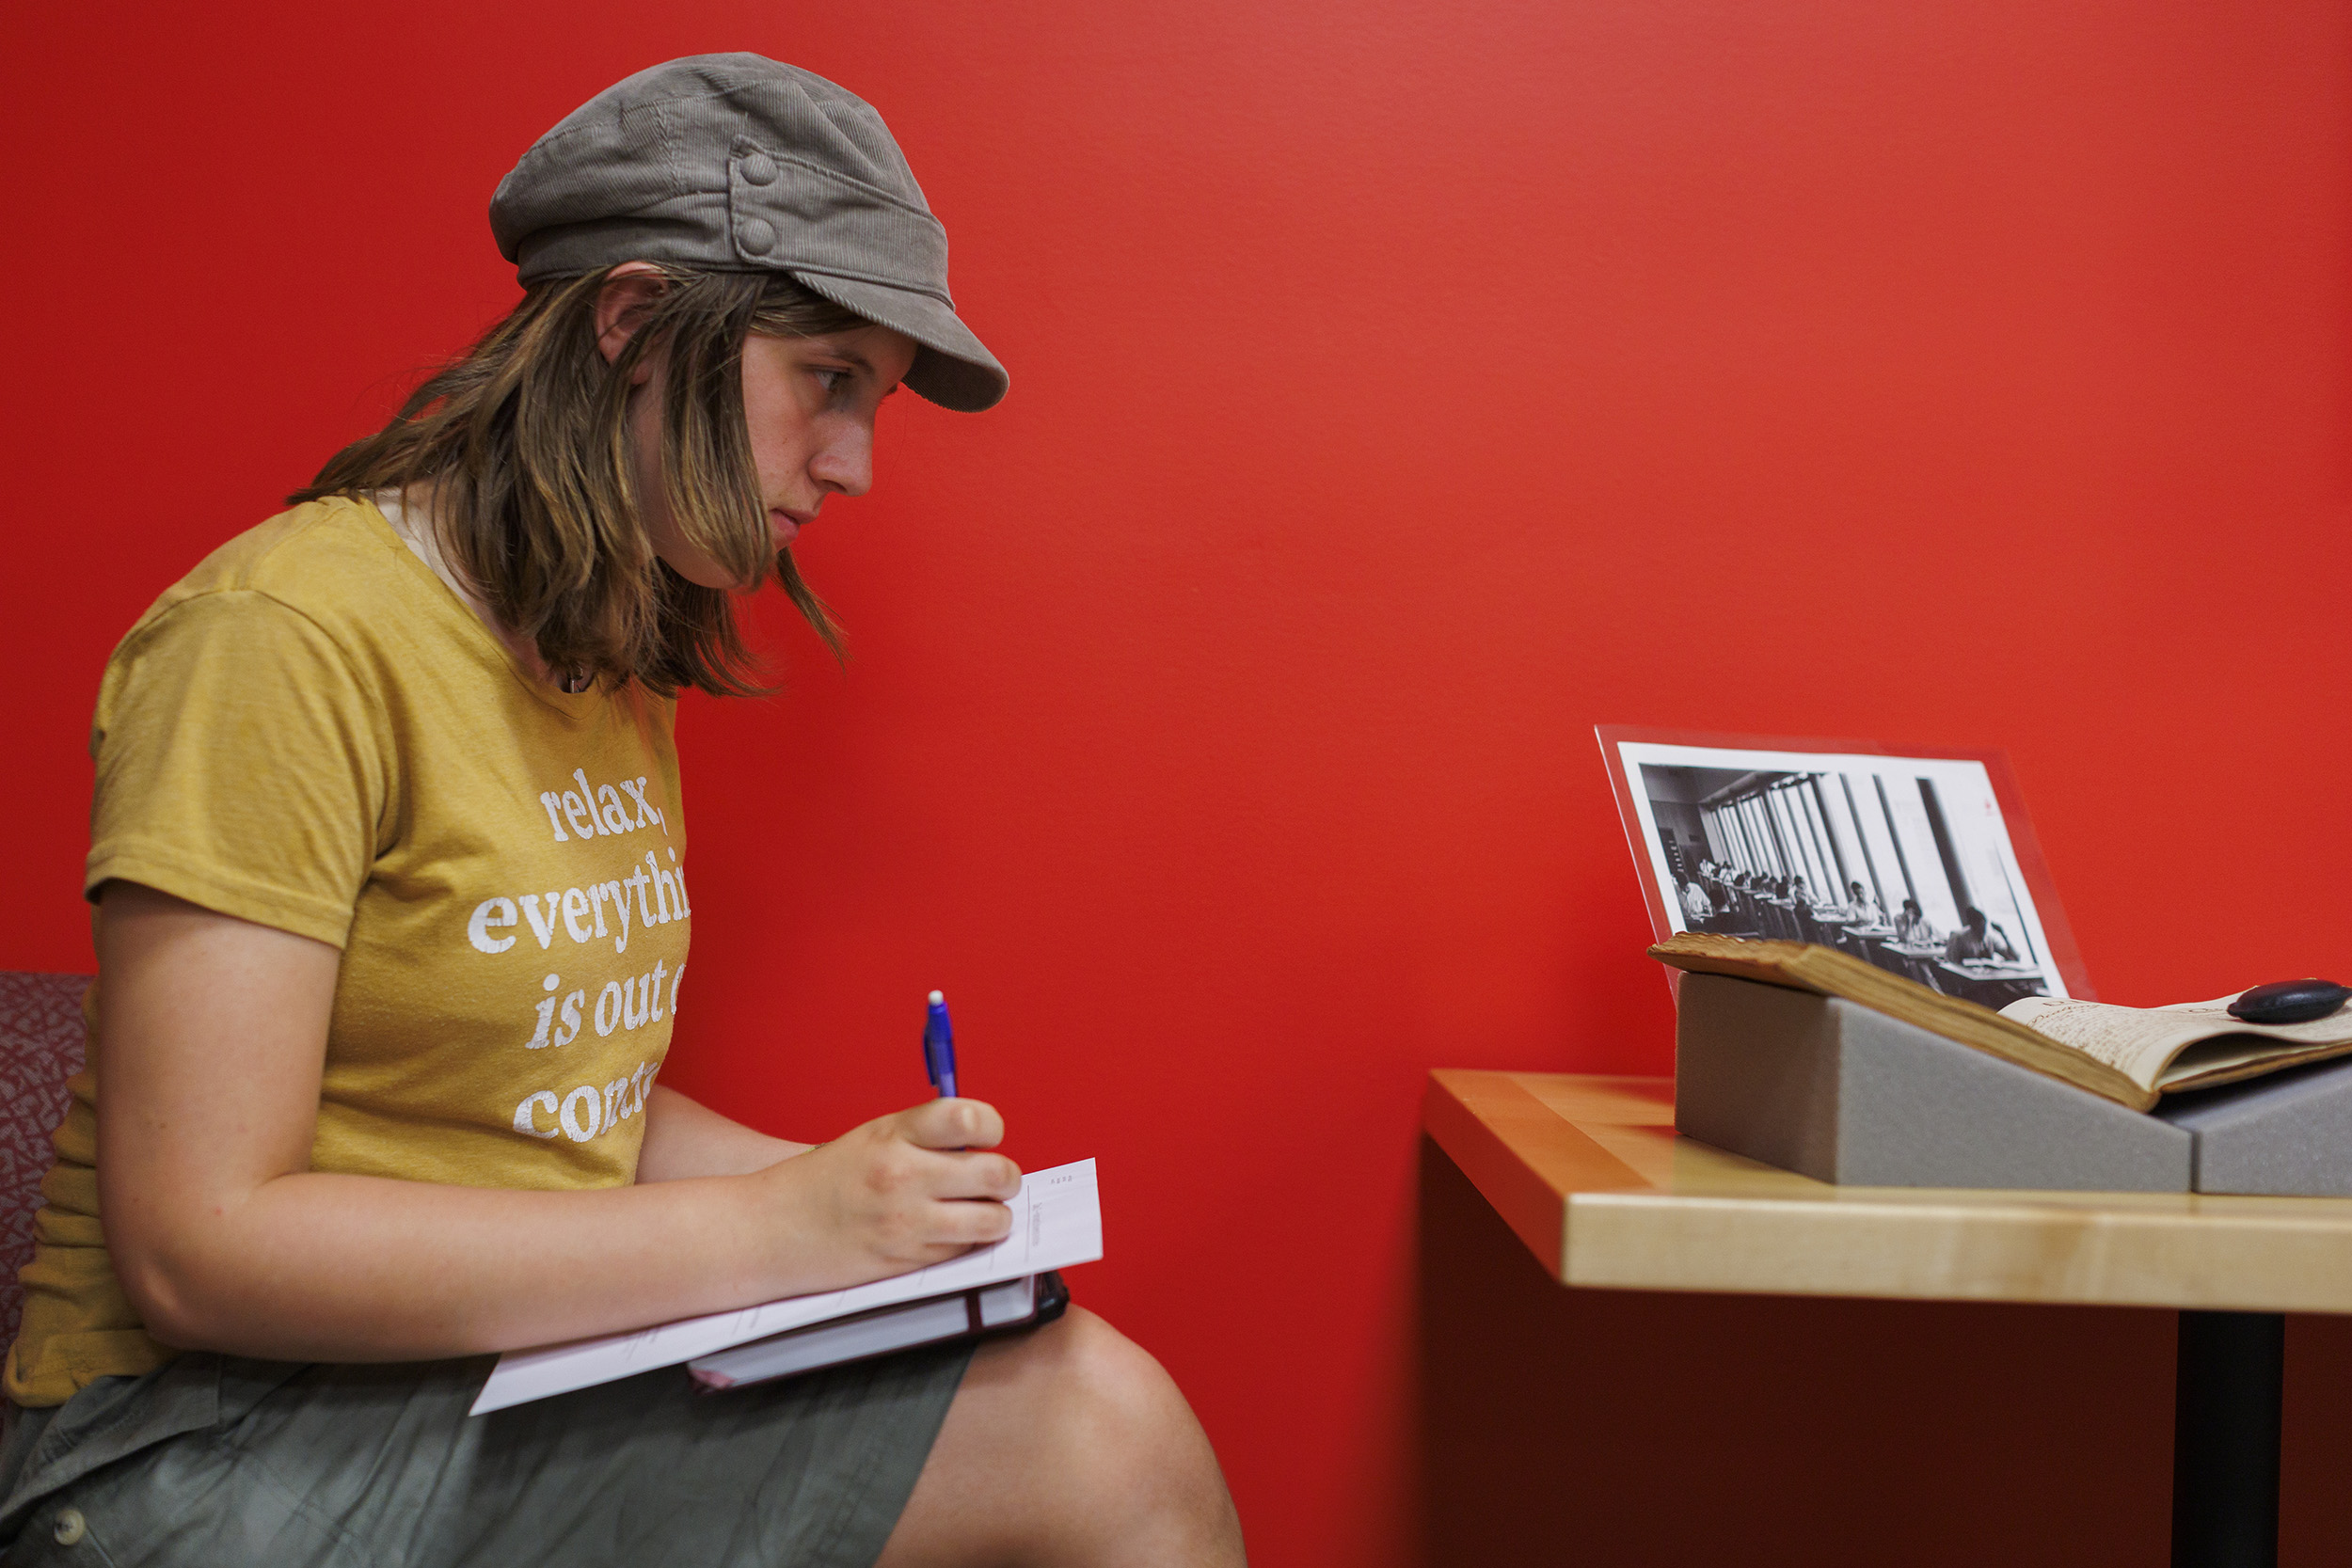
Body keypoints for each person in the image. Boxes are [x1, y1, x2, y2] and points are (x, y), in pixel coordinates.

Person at [0, 55, 1245, 1567]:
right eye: (828, 379)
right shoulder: (282, 636)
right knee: (1099, 1437)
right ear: (638, 325)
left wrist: (875, 1201)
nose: (852, 463)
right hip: (183, 1447)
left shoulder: (601, 645)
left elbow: (537, 1107)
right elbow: (203, 1248)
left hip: (451, 1382)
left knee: (1077, 1379)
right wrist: (780, 1229)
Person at [1946, 906, 2021, 963]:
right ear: (1972, 925)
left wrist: (2003, 935)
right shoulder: (1959, 938)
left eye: (1984, 927)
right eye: (1979, 928)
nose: (1982, 931)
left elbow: (2014, 958)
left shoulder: (1989, 939)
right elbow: (1951, 962)